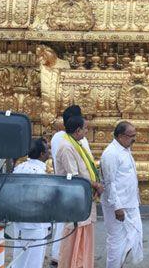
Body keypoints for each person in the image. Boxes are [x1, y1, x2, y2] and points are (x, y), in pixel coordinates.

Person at [54, 115, 103, 268]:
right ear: (77, 130)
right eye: (85, 128)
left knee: (83, 236)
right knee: (74, 236)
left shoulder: (76, 144)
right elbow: (74, 177)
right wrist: (95, 184)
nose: (87, 131)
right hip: (74, 200)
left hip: (83, 199)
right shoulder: (67, 147)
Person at [51, 105, 93, 265]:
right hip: (73, 188)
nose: (86, 131)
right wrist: (92, 183)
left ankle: (62, 256)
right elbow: (80, 167)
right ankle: (68, 259)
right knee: (70, 226)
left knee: (64, 224)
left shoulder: (58, 137)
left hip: (64, 184)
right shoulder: (69, 143)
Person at [100, 121, 144, 268]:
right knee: (116, 243)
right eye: (131, 136)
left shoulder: (124, 149)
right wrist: (117, 207)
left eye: (135, 135)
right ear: (120, 136)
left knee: (133, 237)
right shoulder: (111, 154)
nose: (134, 139)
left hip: (130, 203)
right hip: (118, 207)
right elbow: (110, 183)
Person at [10, 138, 51, 268]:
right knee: (34, 261)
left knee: (19, 257)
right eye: (47, 149)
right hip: (36, 223)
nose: (49, 152)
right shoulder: (39, 173)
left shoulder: (19, 168)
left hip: (19, 220)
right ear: (42, 154)